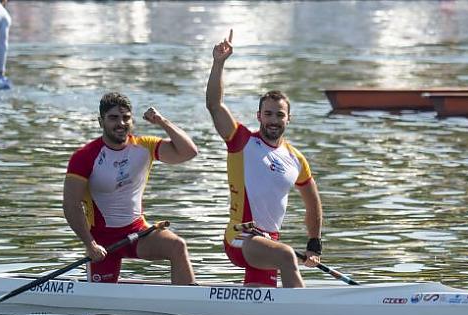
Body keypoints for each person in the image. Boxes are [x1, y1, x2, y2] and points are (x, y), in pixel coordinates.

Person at [205, 30, 323, 288]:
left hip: (268, 241)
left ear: (288, 119)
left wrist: (314, 244)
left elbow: (313, 203)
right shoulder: (242, 141)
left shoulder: (296, 158)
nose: (273, 120)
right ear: (259, 116)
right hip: (240, 237)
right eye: (268, 114)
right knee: (285, 255)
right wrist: (218, 63)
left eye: (279, 115)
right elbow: (214, 105)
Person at [63, 92, 198, 285]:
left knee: (177, 246)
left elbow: (189, 152)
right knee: (101, 310)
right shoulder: (84, 157)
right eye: (113, 118)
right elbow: (71, 206)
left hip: (138, 234)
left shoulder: (144, 147)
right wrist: (90, 244)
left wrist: (162, 121)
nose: (121, 123)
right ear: (101, 122)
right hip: (102, 241)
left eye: (126, 118)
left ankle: (187, 305)